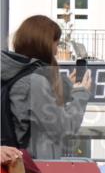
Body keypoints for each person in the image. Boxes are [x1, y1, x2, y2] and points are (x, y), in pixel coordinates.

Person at [2, 15, 92, 159]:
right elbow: (65, 129)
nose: (56, 52)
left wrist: (67, 86)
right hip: (33, 170)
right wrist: (81, 94)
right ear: (44, 44)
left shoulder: (10, 73)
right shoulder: (35, 83)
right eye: (56, 44)